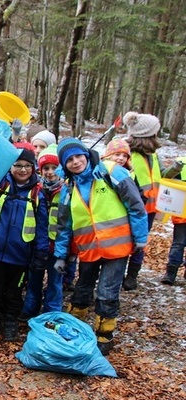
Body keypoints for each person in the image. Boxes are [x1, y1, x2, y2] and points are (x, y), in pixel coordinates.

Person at [53, 138, 148, 355]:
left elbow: (135, 205)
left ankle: (104, 334)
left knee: (107, 290)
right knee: (82, 287)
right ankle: (75, 325)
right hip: (89, 249)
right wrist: (60, 255)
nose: (76, 162)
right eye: (69, 160)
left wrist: (140, 238)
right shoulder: (68, 189)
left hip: (117, 247)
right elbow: (64, 226)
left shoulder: (111, 171)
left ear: (86, 155)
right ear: (64, 164)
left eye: (78, 156)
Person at [0, 144, 49, 342]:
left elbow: (42, 229)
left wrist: (41, 254)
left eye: (27, 165)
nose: (22, 170)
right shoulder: (0, 185)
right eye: (18, 165)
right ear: (10, 167)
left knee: (14, 292)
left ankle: (10, 322)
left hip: (20, 255)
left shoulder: (37, 195)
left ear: (33, 168)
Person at [122, 111, 183, 290]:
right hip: (130, 208)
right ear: (148, 135)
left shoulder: (154, 155)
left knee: (141, 242)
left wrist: (175, 168)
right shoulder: (127, 154)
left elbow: (162, 174)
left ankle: (132, 275)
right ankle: (117, 273)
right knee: (126, 241)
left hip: (149, 209)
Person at [20, 145, 64, 321]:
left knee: (55, 281)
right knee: (34, 277)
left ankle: (52, 312)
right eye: (46, 168)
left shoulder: (66, 191)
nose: (50, 172)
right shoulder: (37, 190)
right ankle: (30, 307)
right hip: (38, 243)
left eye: (54, 168)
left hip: (58, 245)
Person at [161, 156, 186, 285]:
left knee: (178, 244)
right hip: (182, 214)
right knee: (178, 244)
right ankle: (171, 272)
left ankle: (171, 274)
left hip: (181, 214)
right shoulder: (182, 163)